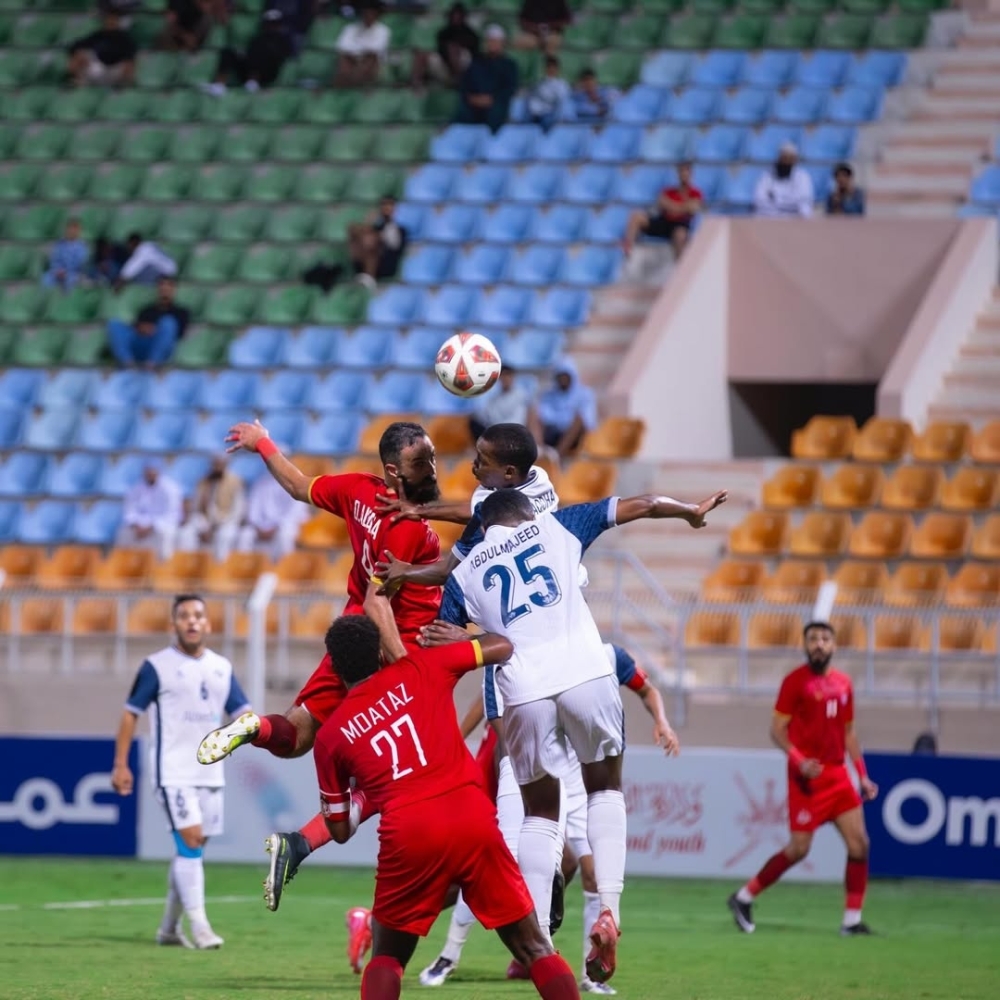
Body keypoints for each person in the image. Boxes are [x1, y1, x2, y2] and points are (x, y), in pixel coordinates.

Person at [437, 485, 727, 983]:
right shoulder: (557, 525)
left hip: (523, 691)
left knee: (539, 812)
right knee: (604, 789)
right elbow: (641, 504)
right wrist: (689, 513)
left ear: (484, 527)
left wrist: (462, 635)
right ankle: (609, 908)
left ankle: (540, 946)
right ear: (527, 512)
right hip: (587, 675)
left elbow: (438, 644)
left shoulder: (463, 575)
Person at [196, 420, 444, 932]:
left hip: (349, 643)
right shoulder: (409, 530)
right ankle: (374, 909)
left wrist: (263, 443)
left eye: (433, 458)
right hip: (394, 653)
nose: (433, 469)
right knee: (405, 776)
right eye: (422, 463)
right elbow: (379, 602)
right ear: (394, 470)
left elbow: (297, 486)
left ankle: (253, 729)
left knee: (294, 737)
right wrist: (409, 671)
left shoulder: (357, 489)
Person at [313, 615, 582, 1000]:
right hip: (471, 816)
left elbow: (339, 830)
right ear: (379, 653)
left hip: (409, 832)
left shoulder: (330, 737)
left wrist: (360, 798)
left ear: (335, 668)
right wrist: (463, 635)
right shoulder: (422, 666)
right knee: (535, 948)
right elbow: (504, 647)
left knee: (387, 958)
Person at [420, 642, 679, 994]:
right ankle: (449, 956)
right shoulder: (511, 655)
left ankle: (586, 972)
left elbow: (647, 689)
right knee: (497, 866)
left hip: (577, 772)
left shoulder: (605, 655)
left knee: (588, 870)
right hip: (526, 765)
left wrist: (662, 721)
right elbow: (496, 719)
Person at [110, 594, 251, 950]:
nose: (191, 621)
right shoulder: (156, 666)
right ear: (173, 624)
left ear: (208, 624)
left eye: (198, 615)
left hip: (210, 774)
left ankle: (169, 929)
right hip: (172, 771)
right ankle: (201, 927)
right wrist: (120, 764)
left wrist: (265, 731)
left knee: (193, 850)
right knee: (190, 842)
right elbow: (130, 713)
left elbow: (242, 714)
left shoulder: (221, 667)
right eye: (184, 615)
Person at [727, 621, 878, 936]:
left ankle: (852, 921)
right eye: (813, 639)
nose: (819, 644)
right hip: (806, 778)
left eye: (825, 639)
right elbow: (776, 730)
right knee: (799, 849)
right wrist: (798, 760)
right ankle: (743, 897)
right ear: (805, 645)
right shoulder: (795, 682)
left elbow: (849, 733)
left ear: (834, 645)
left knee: (860, 844)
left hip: (838, 776)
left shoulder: (844, 684)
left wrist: (862, 776)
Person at [204, 7, 295, 94]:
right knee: (228, 52)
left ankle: (253, 82)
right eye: (269, 23)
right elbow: (250, 53)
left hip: (269, 73)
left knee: (262, 50)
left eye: (274, 24)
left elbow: (286, 57)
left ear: (279, 25)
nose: (271, 27)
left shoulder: (283, 40)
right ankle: (219, 85)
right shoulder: (258, 38)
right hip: (248, 70)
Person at [622, 161, 703, 260]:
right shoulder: (669, 191)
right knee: (636, 216)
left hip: (680, 224)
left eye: (686, 171)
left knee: (680, 235)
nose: (684, 174)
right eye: (682, 171)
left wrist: (672, 206)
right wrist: (683, 207)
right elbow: (662, 202)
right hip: (664, 222)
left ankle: (681, 263)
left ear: (691, 174)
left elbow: (693, 208)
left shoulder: (695, 193)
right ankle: (628, 249)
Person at [107, 277, 189, 370]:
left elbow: (178, 333)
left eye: (168, 286)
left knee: (168, 322)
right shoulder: (147, 310)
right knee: (114, 323)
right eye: (162, 286)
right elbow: (136, 327)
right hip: (141, 342)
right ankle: (128, 364)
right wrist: (143, 328)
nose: (165, 289)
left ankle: (152, 364)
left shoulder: (181, 312)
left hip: (161, 347)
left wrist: (156, 330)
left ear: (174, 290)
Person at [176, 455, 246, 562]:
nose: (217, 467)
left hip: (226, 521)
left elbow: (238, 511)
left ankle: (220, 566)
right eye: (215, 464)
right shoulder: (204, 481)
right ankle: (188, 565)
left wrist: (218, 523)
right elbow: (196, 508)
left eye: (220, 464)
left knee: (224, 535)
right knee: (186, 533)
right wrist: (205, 527)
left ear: (225, 465)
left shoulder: (235, 482)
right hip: (205, 521)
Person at [115, 459, 184, 560]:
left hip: (161, 525)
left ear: (158, 471)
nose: (150, 473)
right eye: (147, 471)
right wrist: (136, 524)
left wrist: (151, 527)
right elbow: (130, 510)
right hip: (139, 525)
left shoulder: (170, 489)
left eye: (152, 471)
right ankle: (125, 564)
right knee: (124, 533)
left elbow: (172, 514)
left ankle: (162, 565)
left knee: (164, 535)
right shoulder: (137, 488)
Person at [456, 24, 518, 133]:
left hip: (496, 104)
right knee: (462, 114)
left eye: (495, 41)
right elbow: (465, 85)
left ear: (502, 43)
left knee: (496, 114)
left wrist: (491, 99)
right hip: (474, 104)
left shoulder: (509, 66)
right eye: (490, 41)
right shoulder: (476, 63)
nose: (492, 44)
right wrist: (474, 98)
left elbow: (509, 89)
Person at [236, 468, 308, 560]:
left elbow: (294, 513)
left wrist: (276, 527)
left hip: (285, 525)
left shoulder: (295, 483)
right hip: (261, 526)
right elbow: (253, 509)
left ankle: (285, 566)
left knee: (285, 535)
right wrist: (258, 527)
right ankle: (244, 566)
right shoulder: (261, 483)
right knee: (245, 534)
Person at [534, 359, 597, 459]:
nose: (563, 379)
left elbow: (588, 420)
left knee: (579, 419)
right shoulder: (549, 394)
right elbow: (545, 414)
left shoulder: (585, 394)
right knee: (533, 414)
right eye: (560, 376)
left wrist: (563, 421)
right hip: (554, 432)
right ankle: (539, 451)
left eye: (566, 376)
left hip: (575, 436)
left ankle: (557, 456)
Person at [412, 2, 478, 89]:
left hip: (465, 69)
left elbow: (475, 55)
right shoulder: (444, 33)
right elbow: (441, 50)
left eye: (458, 15)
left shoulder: (470, 33)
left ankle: (460, 82)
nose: (456, 18)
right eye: (454, 15)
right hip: (446, 67)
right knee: (422, 55)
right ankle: (416, 86)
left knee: (454, 48)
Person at [66, 6, 137, 88]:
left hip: (114, 71)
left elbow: (130, 58)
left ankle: (124, 89)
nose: (111, 21)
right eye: (109, 19)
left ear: (118, 22)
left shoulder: (125, 39)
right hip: (97, 68)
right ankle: (78, 82)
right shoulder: (98, 35)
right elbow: (76, 46)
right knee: (79, 54)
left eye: (113, 19)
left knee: (128, 65)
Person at [348, 195, 408, 290]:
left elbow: (395, 246)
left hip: (388, 263)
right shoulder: (376, 227)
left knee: (371, 240)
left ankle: (369, 278)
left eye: (390, 206)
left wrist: (379, 237)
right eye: (384, 205)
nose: (387, 209)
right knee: (359, 235)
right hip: (369, 257)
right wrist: (368, 223)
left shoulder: (400, 230)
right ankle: (363, 275)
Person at [334, 0, 391, 88]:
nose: (368, 16)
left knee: (371, 60)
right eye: (366, 13)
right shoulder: (350, 28)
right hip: (352, 59)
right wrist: (356, 56)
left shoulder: (383, 30)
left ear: (376, 15)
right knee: (343, 60)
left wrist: (359, 55)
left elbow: (375, 51)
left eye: (371, 13)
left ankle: (353, 84)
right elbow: (343, 48)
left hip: (371, 62)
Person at [469, 367, 534, 440]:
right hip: (496, 432)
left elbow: (518, 421)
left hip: (513, 433)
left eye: (507, 375)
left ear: (512, 377)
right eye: (502, 376)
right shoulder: (495, 398)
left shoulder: (521, 395)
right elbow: (488, 417)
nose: (505, 379)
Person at [753, 141, 814, 218]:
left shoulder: (803, 177)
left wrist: (777, 200)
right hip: (771, 217)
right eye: (784, 158)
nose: (786, 162)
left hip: (794, 218)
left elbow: (803, 202)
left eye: (790, 159)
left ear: (795, 160)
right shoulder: (767, 176)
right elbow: (759, 200)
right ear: (779, 158)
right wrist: (785, 204)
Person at [42, 218, 89, 291]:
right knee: (46, 278)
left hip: (73, 274)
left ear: (78, 231)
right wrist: (58, 270)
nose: (71, 231)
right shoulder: (59, 244)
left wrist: (66, 273)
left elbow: (82, 264)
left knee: (70, 282)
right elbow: (54, 260)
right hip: (58, 272)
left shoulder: (82, 247)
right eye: (70, 229)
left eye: (74, 229)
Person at [527, 56, 572, 131]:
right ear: (545, 69)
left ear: (557, 69)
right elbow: (535, 104)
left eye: (553, 68)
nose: (551, 70)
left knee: (567, 105)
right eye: (549, 68)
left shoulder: (563, 84)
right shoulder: (540, 85)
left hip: (558, 115)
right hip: (544, 115)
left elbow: (563, 100)